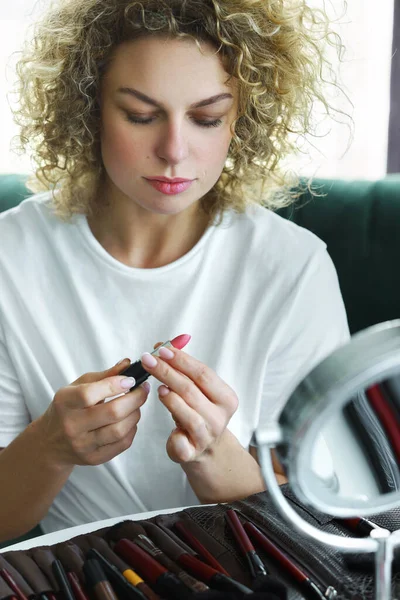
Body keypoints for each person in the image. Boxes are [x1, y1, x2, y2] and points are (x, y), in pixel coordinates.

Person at [0, 0, 350, 542]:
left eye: (207, 118)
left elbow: (320, 527)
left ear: (241, 120)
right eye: (141, 115)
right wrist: (51, 445)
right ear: (89, 108)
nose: (174, 151)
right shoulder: (10, 258)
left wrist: (217, 459)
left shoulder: (294, 268)